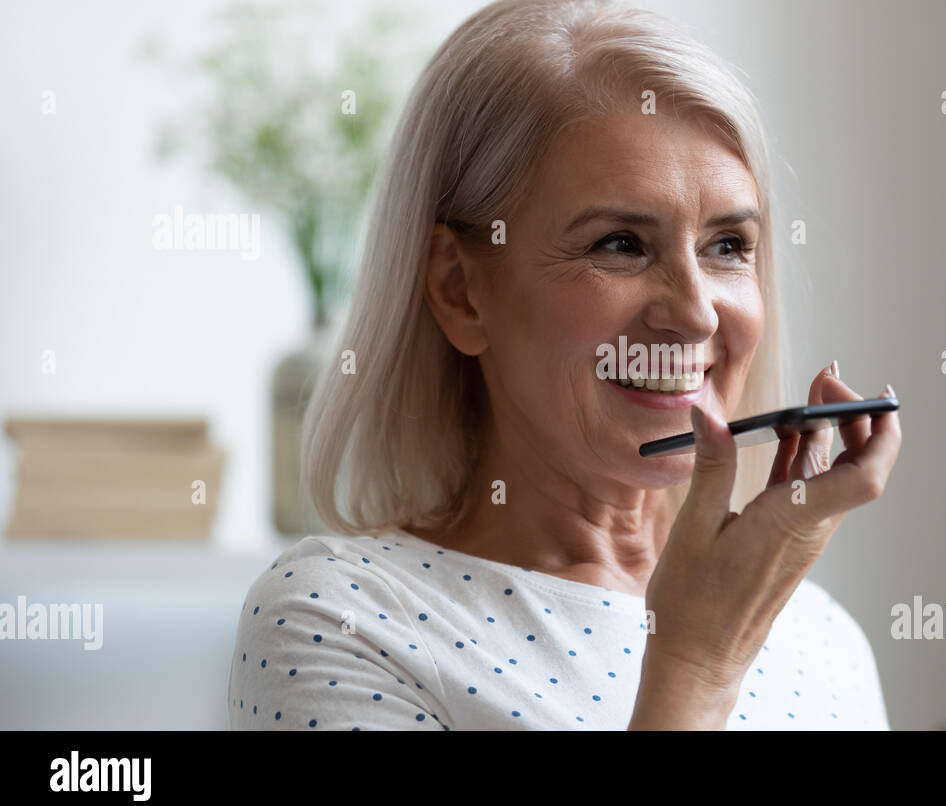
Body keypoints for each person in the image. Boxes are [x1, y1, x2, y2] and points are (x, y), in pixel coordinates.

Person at [228, 0, 901, 731]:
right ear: (461, 290)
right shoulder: (338, 619)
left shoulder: (826, 640)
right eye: (619, 243)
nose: (699, 313)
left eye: (728, 245)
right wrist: (695, 669)